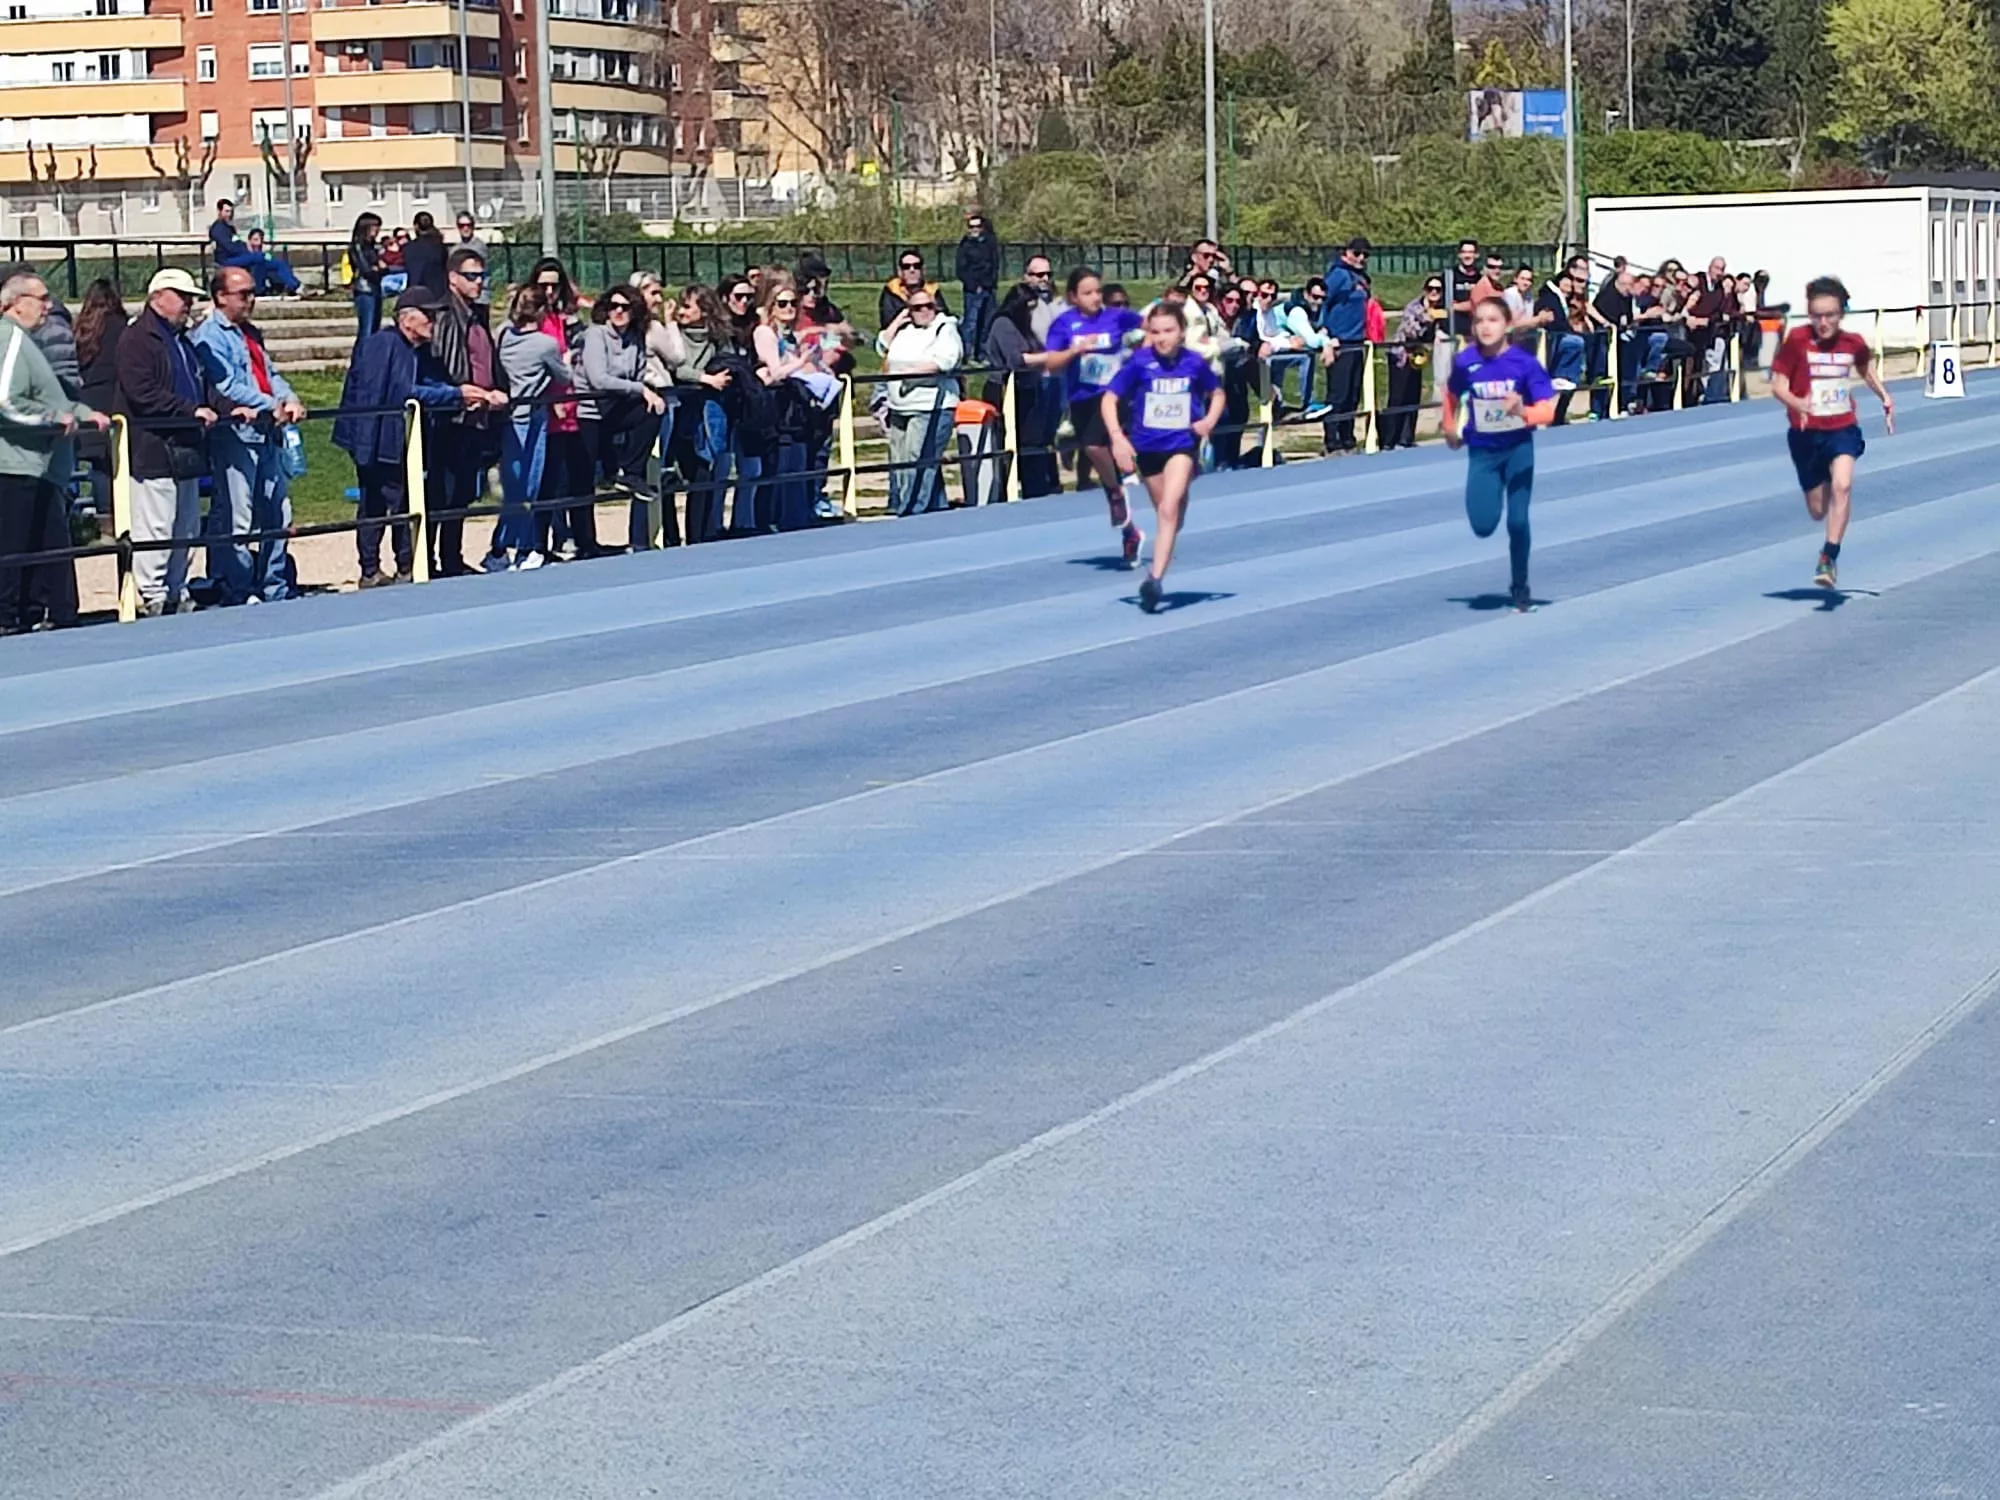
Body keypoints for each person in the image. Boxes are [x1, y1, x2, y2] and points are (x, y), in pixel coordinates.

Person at [332, 287, 487, 588]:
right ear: (407, 319)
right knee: (385, 500)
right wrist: (456, 394)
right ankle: (381, 568)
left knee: (395, 499)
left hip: (395, 436)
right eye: (427, 315)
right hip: (373, 436)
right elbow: (398, 392)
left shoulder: (416, 352)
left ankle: (399, 565)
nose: (433, 321)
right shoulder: (383, 344)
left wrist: (461, 394)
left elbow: (428, 383)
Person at [115, 268, 234, 616]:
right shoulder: (137, 339)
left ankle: (176, 587)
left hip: (184, 445)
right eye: (182, 297)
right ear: (158, 297)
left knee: (186, 523)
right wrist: (190, 410)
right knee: (155, 522)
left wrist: (225, 407)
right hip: (153, 445)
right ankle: (152, 592)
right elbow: (143, 393)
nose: (189, 305)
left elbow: (201, 385)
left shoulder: (181, 341)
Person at [1768, 275, 1894, 590]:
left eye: (1830, 315)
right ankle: (1820, 478)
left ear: (1841, 314)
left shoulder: (1853, 343)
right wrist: (1798, 403)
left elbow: (1866, 370)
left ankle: (1829, 556)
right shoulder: (1797, 340)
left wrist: (1885, 397)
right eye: (1816, 315)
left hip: (1842, 428)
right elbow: (1777, 385)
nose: (1823, 322)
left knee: (1843, 485)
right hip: (1806, 434)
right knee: (1817, 509)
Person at [190, 264, 306, 605]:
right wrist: (271, 403)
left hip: (267, 432)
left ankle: (274, 584)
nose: (251, 299)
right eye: (243, 294)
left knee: (278, 511)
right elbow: (226, 384)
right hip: (237, 436)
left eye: (253, 292)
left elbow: (269, 373)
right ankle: (238, 588)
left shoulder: (251, 334)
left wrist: (289, 398)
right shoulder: (209, 336)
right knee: (237, 516)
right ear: (221, 296)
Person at [1, 270, 106, 634]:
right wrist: (51, 418)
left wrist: (82, 413)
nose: (48, 306)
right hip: (14, 463)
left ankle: (42, 612)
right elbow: (6, 402)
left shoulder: (26, 342)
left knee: (42, 542)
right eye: (41, 298)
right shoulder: (9, 339)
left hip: (37, 464)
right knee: (14, 545)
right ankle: (7, 617)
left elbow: (48, 396)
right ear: (15, 305)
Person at [1103, 301, 1223, 615]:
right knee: (1168, 513)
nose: (1161, 338)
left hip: (1182, 445)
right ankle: (1163, 552)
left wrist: (1208, 421)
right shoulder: (1139, 364)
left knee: (1168, 510)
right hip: (1147, 449)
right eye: (1155, 332)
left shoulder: (1194, 364)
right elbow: (1109, 398)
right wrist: (1117, 438)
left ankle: (1154, 579)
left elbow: (1218, 394)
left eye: (1168, 331)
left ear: (1182, 332)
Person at [1441, 295, 1558, 614]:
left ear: (1507, 325)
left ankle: (1520, 587)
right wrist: (1450, 427)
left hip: (1519, 450)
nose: (1485, 326)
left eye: (1492, 320)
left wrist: (1524, 411)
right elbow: (1450, 394)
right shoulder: (1466, 361)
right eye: (1479, 321)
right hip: (1483, 452)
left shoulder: (1525, 364)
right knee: (1483, 524)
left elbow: (1548, 410)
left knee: (1518, 521)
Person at [1045, 267, 1144, 566]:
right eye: (1087, 293)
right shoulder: (1065, 324)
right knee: (1091, 447)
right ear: (1073, 296)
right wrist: (1074, 352)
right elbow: (1052, 361)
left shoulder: (1115, 317)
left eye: (1098, 291)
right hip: (1082, 398)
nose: (1095, 298)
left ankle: (1125, 474)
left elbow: (1150, 325)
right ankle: (1128, 527)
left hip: (1113, 394)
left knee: (1098, 444)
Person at [425, 246, 503, 575]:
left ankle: (452, 557)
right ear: (453, 278)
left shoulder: (475, 314)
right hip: (452, 417)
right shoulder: (445, 314)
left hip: (475, 417)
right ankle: (427, 561)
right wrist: (469, 393)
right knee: (441, 493)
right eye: (471, 276)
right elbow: (447, 365)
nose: (478, 282)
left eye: (482, 276)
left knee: (460, 494)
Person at [576, 282, 666, 550]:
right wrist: (641, 390)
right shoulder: (596, 335)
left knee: (654, 410)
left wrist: (642, 391)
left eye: (625, 307)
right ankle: (585, 542)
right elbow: (598, 379)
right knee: (583, 479)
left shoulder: (636, 338)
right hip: (590, 410)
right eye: (613, 306)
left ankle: (630, 472)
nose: (618, 312)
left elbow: (637, 373)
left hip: (617, 405)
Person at [493, 284, 570, 571]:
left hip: (510, 412)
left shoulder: (504, 335)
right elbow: (563, 376)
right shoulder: (545, 344)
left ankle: (504, 547)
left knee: (515, 486)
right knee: (528, 485)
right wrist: (567, 359)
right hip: (531, 414)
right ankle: (521, 548)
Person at [874, 284, 962, 517]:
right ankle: (934, 509)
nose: (923, 311)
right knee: (901, 462)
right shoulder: (904, 330)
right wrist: (899, 319)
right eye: (916, 307)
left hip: (929, 405)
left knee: (918, 460)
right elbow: (881, 345)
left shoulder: (945, 328)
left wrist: (909, 374)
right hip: (899, 406)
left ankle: (912, 511)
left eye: (928, 306)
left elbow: (945, 360)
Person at [666, 284, 735, 543]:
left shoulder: (717, 339)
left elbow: (726, 367)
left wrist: (718, 377)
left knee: (702, 474)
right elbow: (677, 366)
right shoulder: (674, 335)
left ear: (704, 310)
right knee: (667, 475)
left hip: (704, 413)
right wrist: (705, 377)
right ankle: (670, 537)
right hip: (678, 408)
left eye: (687, 306)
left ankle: (698, 536)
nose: (682, 312)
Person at [982, 281, 1061, 499]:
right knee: (1012, 443)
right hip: (1006, 389)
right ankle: (1007, 490)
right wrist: (1047, 357)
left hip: (1028, 388)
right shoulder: (1003, 324)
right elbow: (1016, 359)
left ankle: (1036, 488)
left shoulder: (1025, 327)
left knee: (1034, 441)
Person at [73, 277, 127, 524]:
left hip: (88, 400)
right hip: (113, 397)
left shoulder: (81, 329)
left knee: (97, 465)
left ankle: (103, 517)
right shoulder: (120, 326)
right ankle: (122, 517)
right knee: (115, 463)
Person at [1318, 236, 1372, 452]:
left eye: (1365, 255)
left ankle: (1347, 435)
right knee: (1338, 393)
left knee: (1353, 392)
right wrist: (1325, 334)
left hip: (1357, 340)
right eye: (1357, 253)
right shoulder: (1338, 275)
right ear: (1346, 253)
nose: (1361, 258)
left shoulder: (1362, 278)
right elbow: (1321, 299)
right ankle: (1332, 439)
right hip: (1340, 340)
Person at [1382, 277, 1445, 450]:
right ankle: (1389, 439)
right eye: (1431, 288)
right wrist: (1427, 320)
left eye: (1438, 290)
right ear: (1425, 290)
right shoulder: (1414, 307)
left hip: (1417, 357)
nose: (1434, 292)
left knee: (1413, 397)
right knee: (1398, 397)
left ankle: (1406, 438)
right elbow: (1410, 331)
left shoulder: (1439, 310)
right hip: (1401, 355)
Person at [206, 199, 301, 295]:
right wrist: (247, 249)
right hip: (227, 260)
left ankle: (291, 286)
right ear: (219, 211)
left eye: (231, 211)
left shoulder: (229, 227)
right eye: (226, 211)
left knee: (274, 262)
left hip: (237, 257)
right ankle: (288, 286)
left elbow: (236, 243)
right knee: (260, 257)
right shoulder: (217, 228)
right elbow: (230, 247)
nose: (229, 214)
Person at [954, 209, 1001, 356]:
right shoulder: (965, 245)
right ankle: (967, 354)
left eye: (977, 226)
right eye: (971, 227)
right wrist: (974, 286)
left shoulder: (990, 243)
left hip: (989, 288)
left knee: (987, 323)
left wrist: (991, 283)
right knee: (971, 324)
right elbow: (961, 269)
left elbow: (994, 264)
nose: (974, 230)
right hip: (973, 290)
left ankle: (983, 354)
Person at [348, 212, 387, 342]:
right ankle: (361, 360)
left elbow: (382, 267)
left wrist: (380, 268)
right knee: (366, 330)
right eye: (375, 227)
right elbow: (366, 269)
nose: (377, 231)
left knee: (375, 328)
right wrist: (378, 268)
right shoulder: (358, 246)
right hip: (364, 289)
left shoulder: (372, 247)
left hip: (375, 288)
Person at [402, 211, 448, 299]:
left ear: (416, 226)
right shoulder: (439, 247)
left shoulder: (409, 248)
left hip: (415, 292)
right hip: (438, 292)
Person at [1444, 239, 1481, 338]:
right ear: (1459, 255)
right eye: (1464, 252)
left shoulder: (1481, 279)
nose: (1467, 256)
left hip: (1474, 332)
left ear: (1476, 255)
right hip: (1452, 332)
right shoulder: (1449, 276)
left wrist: (1460, 305)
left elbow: (1481, 305)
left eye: (1470, 252)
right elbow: (1446, 304)